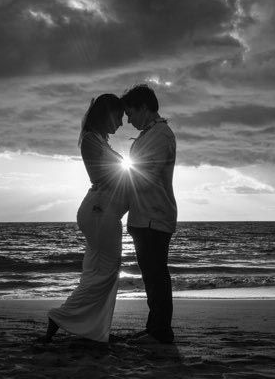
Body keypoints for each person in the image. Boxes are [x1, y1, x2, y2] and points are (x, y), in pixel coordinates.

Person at [34, 94, 129, 346]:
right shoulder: (91, 140)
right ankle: (60, 317)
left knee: (96, 273)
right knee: (106, 274)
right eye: (118, 117)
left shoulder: (99, 140)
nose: (120, 123)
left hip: (101, 211)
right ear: (107, 113)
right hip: (99, 212)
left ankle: (93, 330)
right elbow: (108, 177)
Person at [121, 84, 177, 344]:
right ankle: (155, 327)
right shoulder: (150, 134)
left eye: (130, 112)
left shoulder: (160, 134)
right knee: (151, 275)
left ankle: (160, 332)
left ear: (143, 107)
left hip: (155, 215)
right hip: (145, 216)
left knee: (156, 275)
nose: (128, 119)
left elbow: (145, 174)